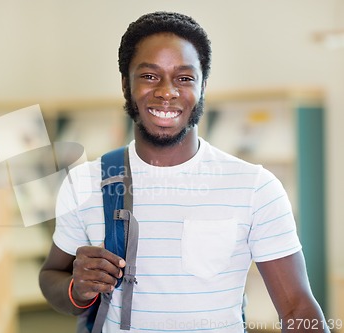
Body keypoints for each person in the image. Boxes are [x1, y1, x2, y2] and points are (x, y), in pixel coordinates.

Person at [39, 11, 328, 333]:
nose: (167, 91)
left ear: (203, 86)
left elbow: (297, 308)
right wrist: (78, 290)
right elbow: (52, 275)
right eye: (149, 76)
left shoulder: (255, 187)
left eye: (184, 78)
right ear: (126, 84)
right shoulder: (85, 183)